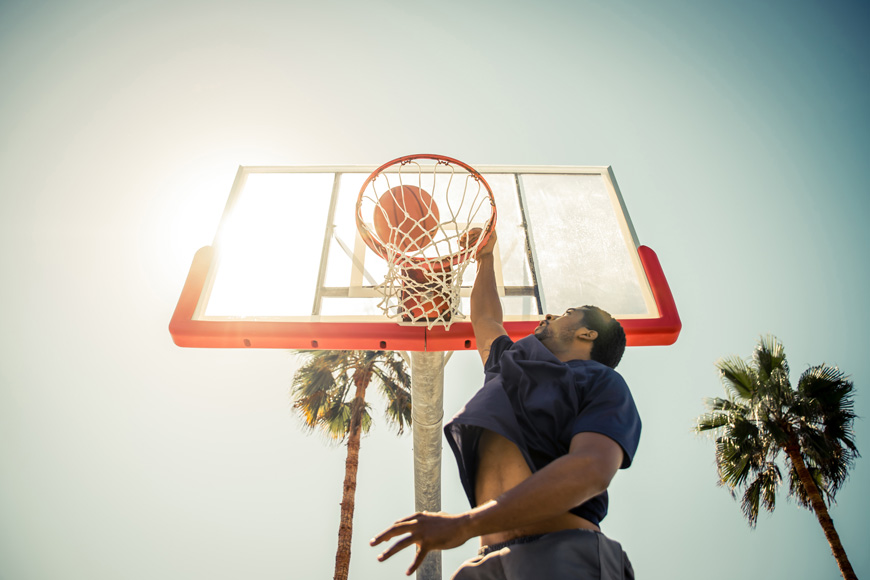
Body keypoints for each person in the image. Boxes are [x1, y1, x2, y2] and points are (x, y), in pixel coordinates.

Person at [371, 228, 640, 579]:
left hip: (564, 552)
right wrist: (484, 256)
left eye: (568, 312)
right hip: (486, 559)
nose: (549, 316)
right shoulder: (509, 366)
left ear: (587, 333)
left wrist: (467, 524)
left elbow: (591, 469)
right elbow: (485, 320)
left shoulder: (599, 381)